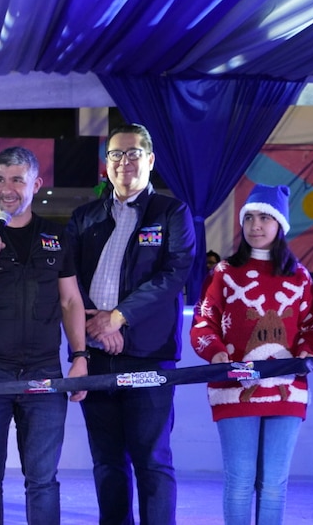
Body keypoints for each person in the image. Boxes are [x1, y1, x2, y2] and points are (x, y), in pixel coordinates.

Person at [0, 146, 88, 525]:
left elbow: (71, 301)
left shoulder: (56, 237)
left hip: (44, 373)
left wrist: (80, 357)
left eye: (17, 179)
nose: (7, 188)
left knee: (42, 480)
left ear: (36, 184)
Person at [65, 123, 195, 524]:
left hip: (149, 358)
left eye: (133, 153)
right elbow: (68, 281)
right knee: (107, 463)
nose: (124, 162)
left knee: (152, 461)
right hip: (97, 357)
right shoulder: (84, 217)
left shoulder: (171, 212)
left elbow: (174, 275)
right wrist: (94, 331)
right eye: (116, 154)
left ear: (150, 160)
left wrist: (118, 319)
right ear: (106, 165)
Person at [190, 184, 313, 525]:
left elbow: (312, 328)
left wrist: (305, 356)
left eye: (265, 217)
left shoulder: (300, 276)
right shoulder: (223, 273)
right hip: (234, 389)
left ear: (280, 224)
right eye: (249, 217)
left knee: (274, 484)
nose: (256, 225)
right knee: (240, 482)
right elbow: (204, 323)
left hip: (287, 390)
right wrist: (217, 355)